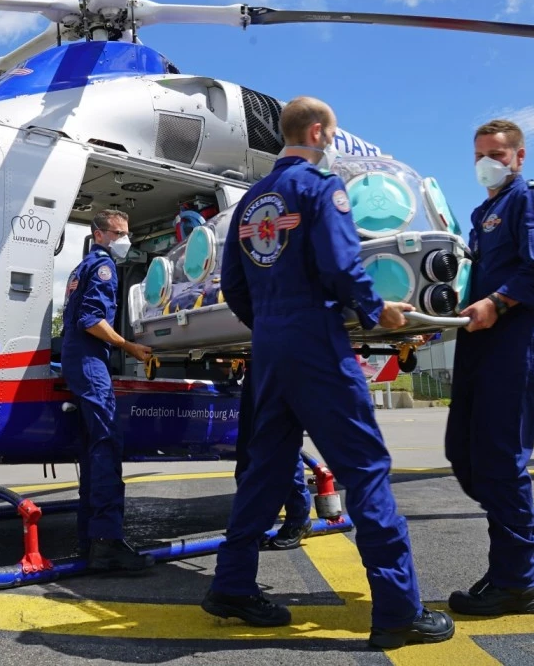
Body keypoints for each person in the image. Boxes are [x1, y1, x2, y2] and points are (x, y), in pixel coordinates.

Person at [200, 96, 454, 651]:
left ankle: (233, 585)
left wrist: (270, 325)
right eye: (331, 135)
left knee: (264, 471)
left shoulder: (248, 205)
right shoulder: (320, 188)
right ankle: (396, 610)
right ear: (317, 132)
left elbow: (235, 288)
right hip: (316, 345)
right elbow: (343, 266)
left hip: (268, 346)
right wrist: (376, 311)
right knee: (365, 468)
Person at [445, 118, 534, 616]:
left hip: (517, 341)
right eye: (479, 154)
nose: (487, 163)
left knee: (500, 462)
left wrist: (498, 304)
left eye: (497, 154)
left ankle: (516, 583)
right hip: (480, 344)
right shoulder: (483, 213)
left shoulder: (530, 199)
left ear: (519, 157)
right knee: (464, 455)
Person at [61, 208, 156, 571]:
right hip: (89, 360)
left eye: (125, 233)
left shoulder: (80, 267)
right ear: (98, 234)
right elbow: (91, 320)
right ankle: (107, 543)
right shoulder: (103, 268)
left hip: (78, 360)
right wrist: (130, 347)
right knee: (106, 444)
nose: (124, 240)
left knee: (92, 448)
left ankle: (91, 539)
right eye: (117, 233)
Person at [233, 357, 313, 550]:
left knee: (282, 447)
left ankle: (298, 518)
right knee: (248, 447)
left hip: (287, 364)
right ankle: (252, 522)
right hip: (258, 365)